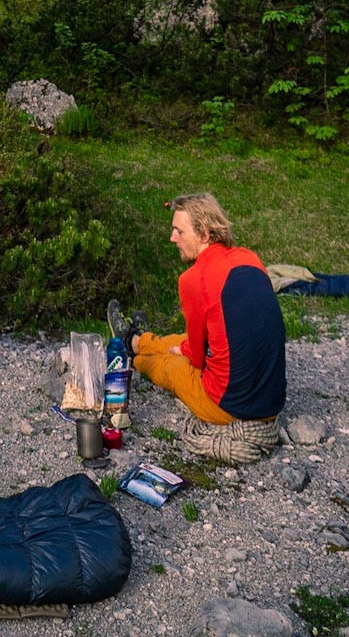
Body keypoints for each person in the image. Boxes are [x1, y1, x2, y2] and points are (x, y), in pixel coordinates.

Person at [108, 192, 285, 464]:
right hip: (272, 402)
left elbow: (197, 359)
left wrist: (183, 351)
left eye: (179, 231)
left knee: (169, 365)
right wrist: (185, 346)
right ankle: (135, 339)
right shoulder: (250, 258)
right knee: (180, 341)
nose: (173, 238)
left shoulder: (193, 279)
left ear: (203, 234)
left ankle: (136, 357)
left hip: (228, 405)